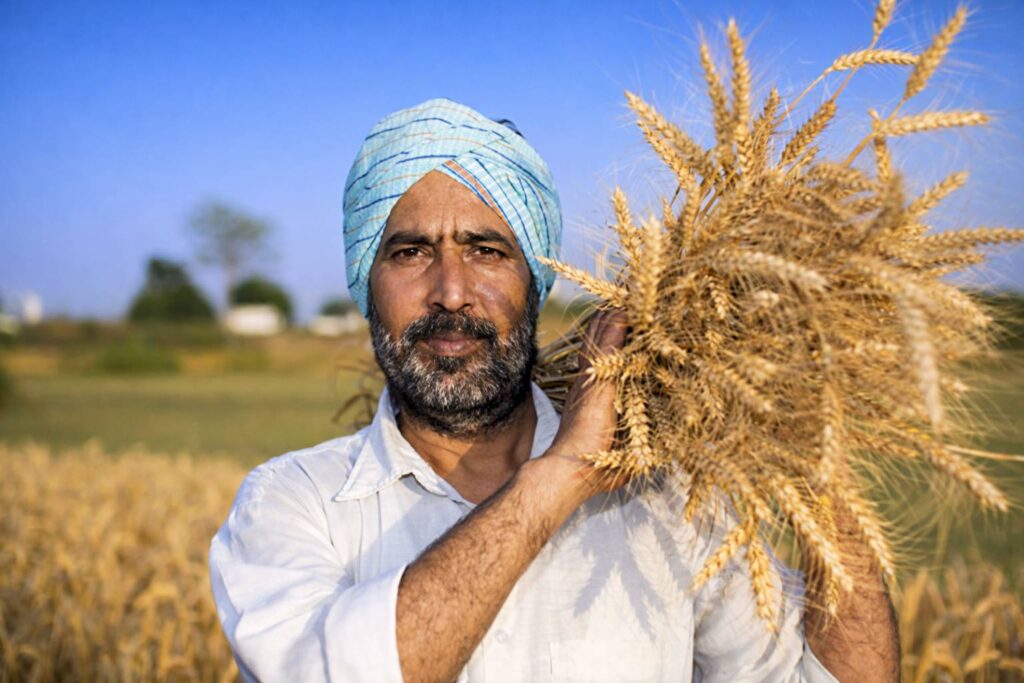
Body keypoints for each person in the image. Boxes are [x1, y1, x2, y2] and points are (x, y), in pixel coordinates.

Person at [209, 98, 899, 682]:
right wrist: (562, 475)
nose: (451, 290)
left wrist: (818, 446)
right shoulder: (289, 503)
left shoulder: (665, 500)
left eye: (487, 250)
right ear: (366, 284)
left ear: (536, 285)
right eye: (410, 251)